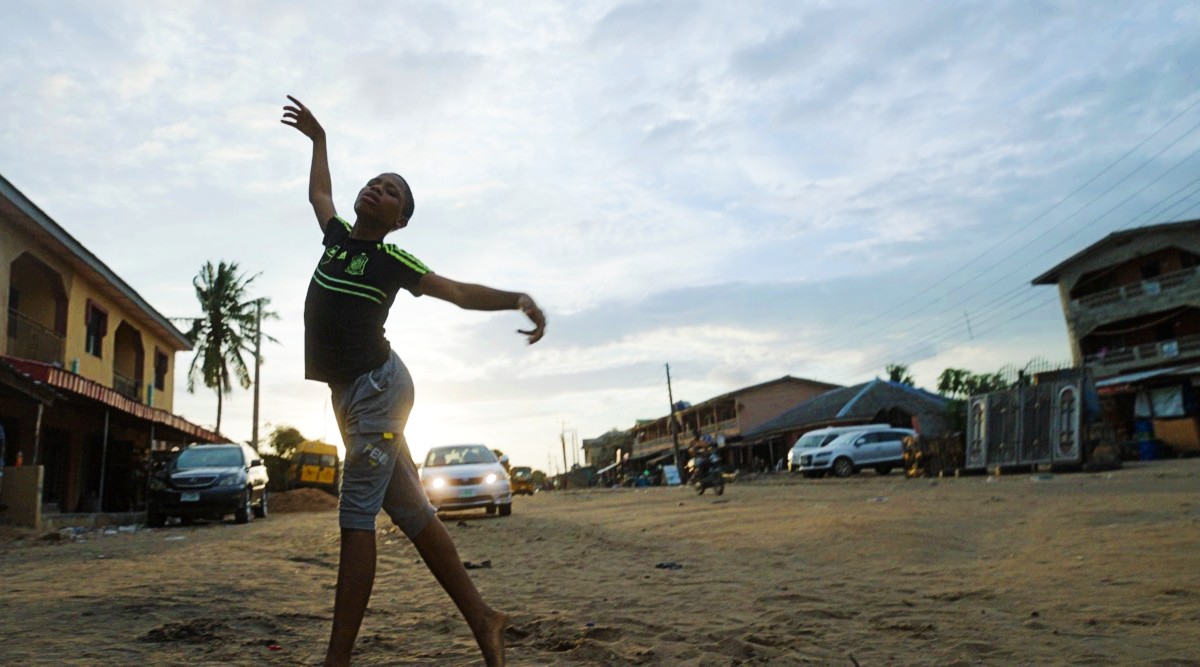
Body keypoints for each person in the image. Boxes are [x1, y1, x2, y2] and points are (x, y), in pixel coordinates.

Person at [282, 95, 545, 667]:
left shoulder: (391, 259)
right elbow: (319, 194)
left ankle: (337, 660)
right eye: (374, 182)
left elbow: (456, 292)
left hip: (378, 391)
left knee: (356, 521)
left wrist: (515, 299)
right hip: (349, 397)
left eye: (392, 190)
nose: (378, 188)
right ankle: (484, 619)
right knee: (414, 515)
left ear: (399, 218)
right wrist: (319, 139)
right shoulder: (335, 239)